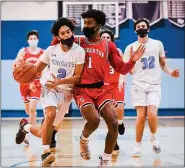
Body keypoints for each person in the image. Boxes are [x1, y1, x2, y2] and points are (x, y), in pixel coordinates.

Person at [51, 9, 145, 166]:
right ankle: (83, 139)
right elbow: (55, 45)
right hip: (82, 89)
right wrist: (65, 25)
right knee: (94, 120)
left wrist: (133, 60)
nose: (85, 26)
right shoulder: (78, 41)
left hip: (101, 90)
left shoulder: (108, 45)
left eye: (89, 23)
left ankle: (105, 160)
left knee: (114, 122)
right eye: (84, 23)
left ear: (99, 25)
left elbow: (121, 69)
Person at [15, 17, 86, 167]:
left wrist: (59, 82)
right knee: (50, 114)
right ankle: (45, 152)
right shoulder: (51, 50)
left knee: (45, 132)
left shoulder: (79, 51)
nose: (66, 35)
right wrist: (24, 76)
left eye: (68, 32)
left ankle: (25, 127)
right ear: (58, 36)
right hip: (49, 88)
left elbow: (78, 76)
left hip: (66, 92)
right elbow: (36, 70)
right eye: (63, 33)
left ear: (72, 32)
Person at [123, 18, 180, 157]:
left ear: (148, 29)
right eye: (138, 26)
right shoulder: (130, 47)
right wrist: (132, 63)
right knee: (141, 116)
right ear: (135, 30)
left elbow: (162, 63)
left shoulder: (157, 44)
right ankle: (137, 146)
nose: (141, 28)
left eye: (143, 26)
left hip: (154, 84)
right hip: (138, 85)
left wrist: (171, 72)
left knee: (152, 114)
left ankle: (153, 138)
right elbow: (125, 68)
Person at [100, 28, 126, 155]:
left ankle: (120, 123)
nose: (105, 39)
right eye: (103, 37)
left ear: (111, 39)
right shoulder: (96, 53)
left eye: (108, 37)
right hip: (104, 88)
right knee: (110, 116)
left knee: (120, 108)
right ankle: (114, 141)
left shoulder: (118, 51)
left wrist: (122, 78)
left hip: (116, 84)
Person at [13, 30, 44, 126]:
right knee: (28, 110)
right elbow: (15, 64)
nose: (33, 40)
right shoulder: (23, 51)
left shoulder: (43, 52)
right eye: (31, 39)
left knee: (32, 108)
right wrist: (16, 73)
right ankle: (29, 121)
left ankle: (31, 131)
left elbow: (46, 68)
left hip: (37, 83)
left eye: (35, 38)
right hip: (24, 83)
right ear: (28, 40)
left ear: (38, 40)